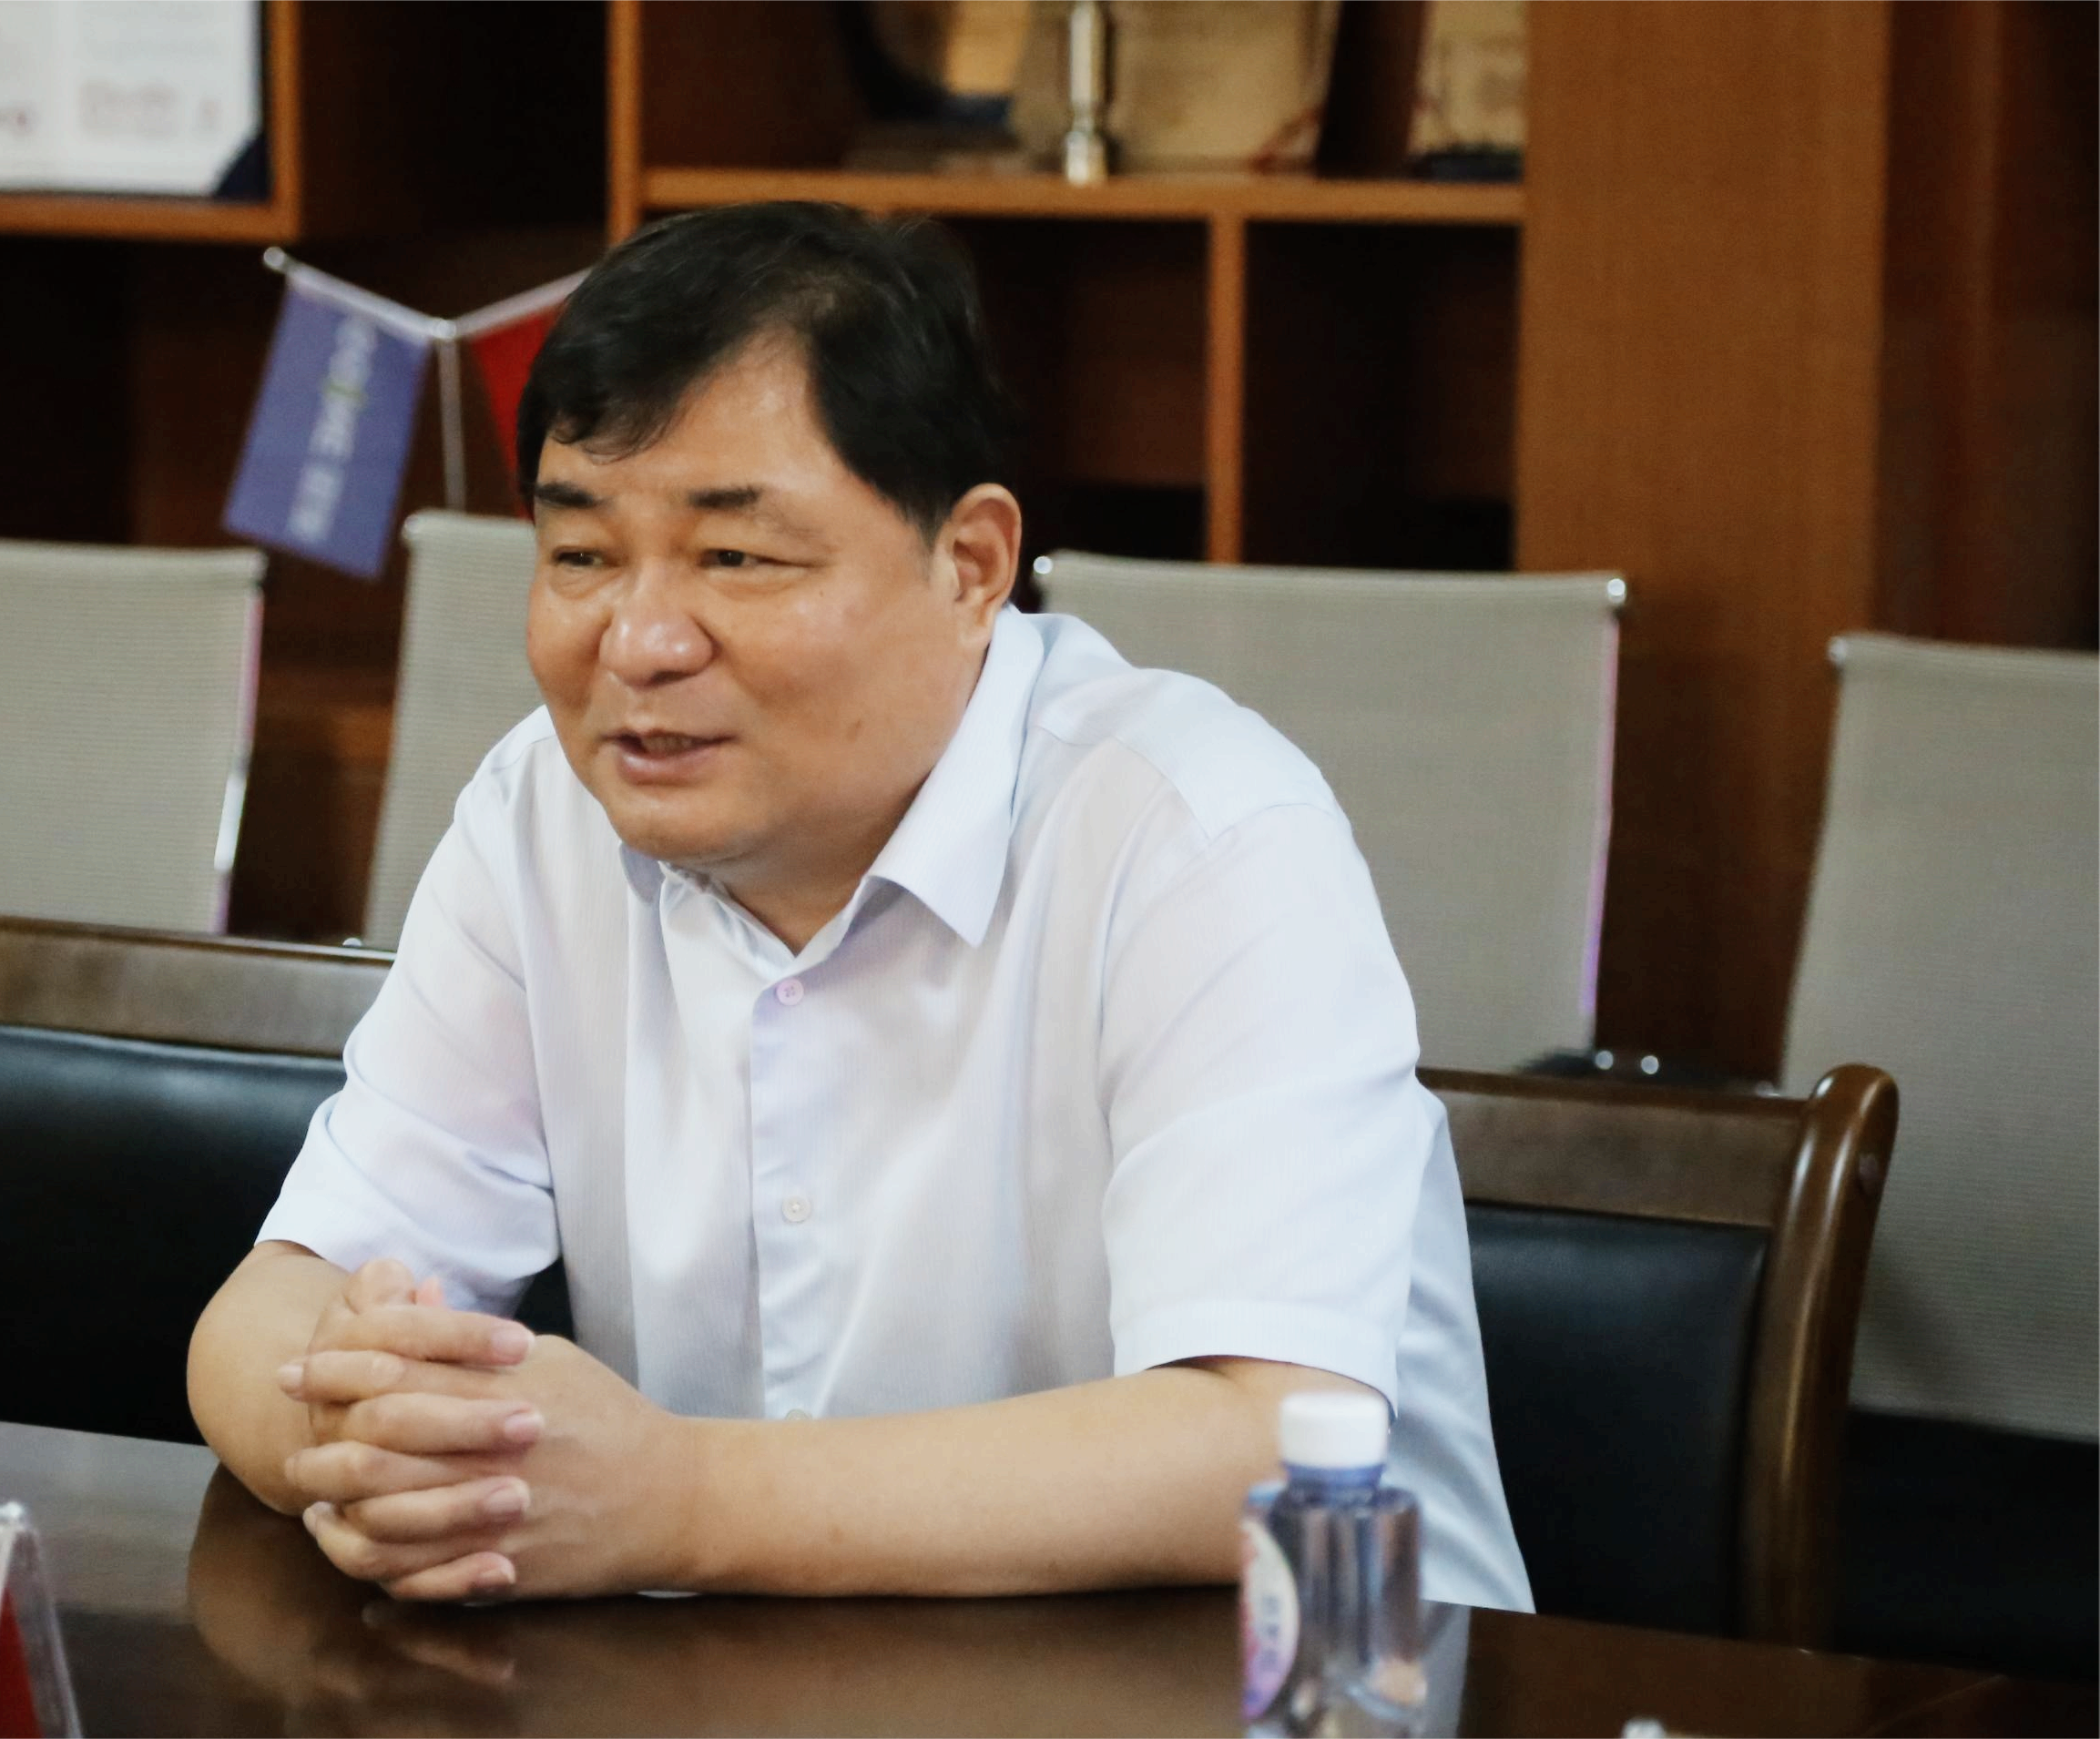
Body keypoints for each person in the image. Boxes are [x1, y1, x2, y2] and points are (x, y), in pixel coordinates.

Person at [189, 201, 1533, 1609]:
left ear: (971, 565)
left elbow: (1272, 1445)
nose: (639, 640)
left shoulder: (1196, 831)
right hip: (756, 1683)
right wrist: (372, 1438)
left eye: (736, 558)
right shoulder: (543, 811)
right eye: (582, 555)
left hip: (1297, 1683)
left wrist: (682, 1498)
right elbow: (265, 1312)